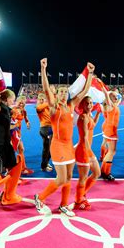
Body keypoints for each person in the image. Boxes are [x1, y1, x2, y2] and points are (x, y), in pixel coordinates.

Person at [34, 58, 94, 217]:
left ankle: (63, 205)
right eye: (60, 92)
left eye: (65, 92)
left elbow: (85, 90)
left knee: (68, 177)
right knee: (61, 178)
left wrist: (90, 73)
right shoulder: (53, 107)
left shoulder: (71, 105)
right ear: (56, 95)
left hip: (68, 146)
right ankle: (39, 198)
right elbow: (46, 88)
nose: (63, 94)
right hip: (58, 145)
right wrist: (43, 68)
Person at [74, 95, 102, 210]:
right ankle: (78, 200)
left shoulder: (88, 116)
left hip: (87, 150)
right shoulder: (83, 117)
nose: (90, 105)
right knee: (83, 177)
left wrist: (98, 113)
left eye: (91, 103)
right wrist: (88, 152)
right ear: (82, 105)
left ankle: (81, 194)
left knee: (97, 173)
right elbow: (85, 137)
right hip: (83, 150)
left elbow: (93, 125)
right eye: (87, 103)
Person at [100, 91, 121, 181]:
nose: (116, 98)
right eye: (114, 96)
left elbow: (119, 99)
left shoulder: (113, 105)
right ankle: (106, 172)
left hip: (110, 129)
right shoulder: (110, 105)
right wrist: (106, 91)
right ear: (109, 98)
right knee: (111, 152)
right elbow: (106, 94)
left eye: (116, 96)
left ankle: (104, 171)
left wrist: (116, 95)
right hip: (111, 130)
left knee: (111, 151)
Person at [11, 96, 33, 175]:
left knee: (20, 149)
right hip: (11, 133)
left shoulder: (24, 111)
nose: (21, 104)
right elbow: (10, 122)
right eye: (20, 102)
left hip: (17, 132)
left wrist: (27, 123)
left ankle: (21, 168)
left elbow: (26, 119)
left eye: (23, 103)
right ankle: (14, 169)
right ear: (17, 102)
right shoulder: (13, 110)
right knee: (16, 149)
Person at [36, 92, 53, 172]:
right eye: (40, 99)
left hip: (50, 128)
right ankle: (43, 166)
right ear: (38, 100)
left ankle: (46, 163)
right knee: (46, 148)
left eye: (43, 99)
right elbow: (40, 108)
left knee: (50, 148)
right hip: (45, 129)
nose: (42, 101)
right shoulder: (39, 107)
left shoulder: (46, 108)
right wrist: (49, 101)